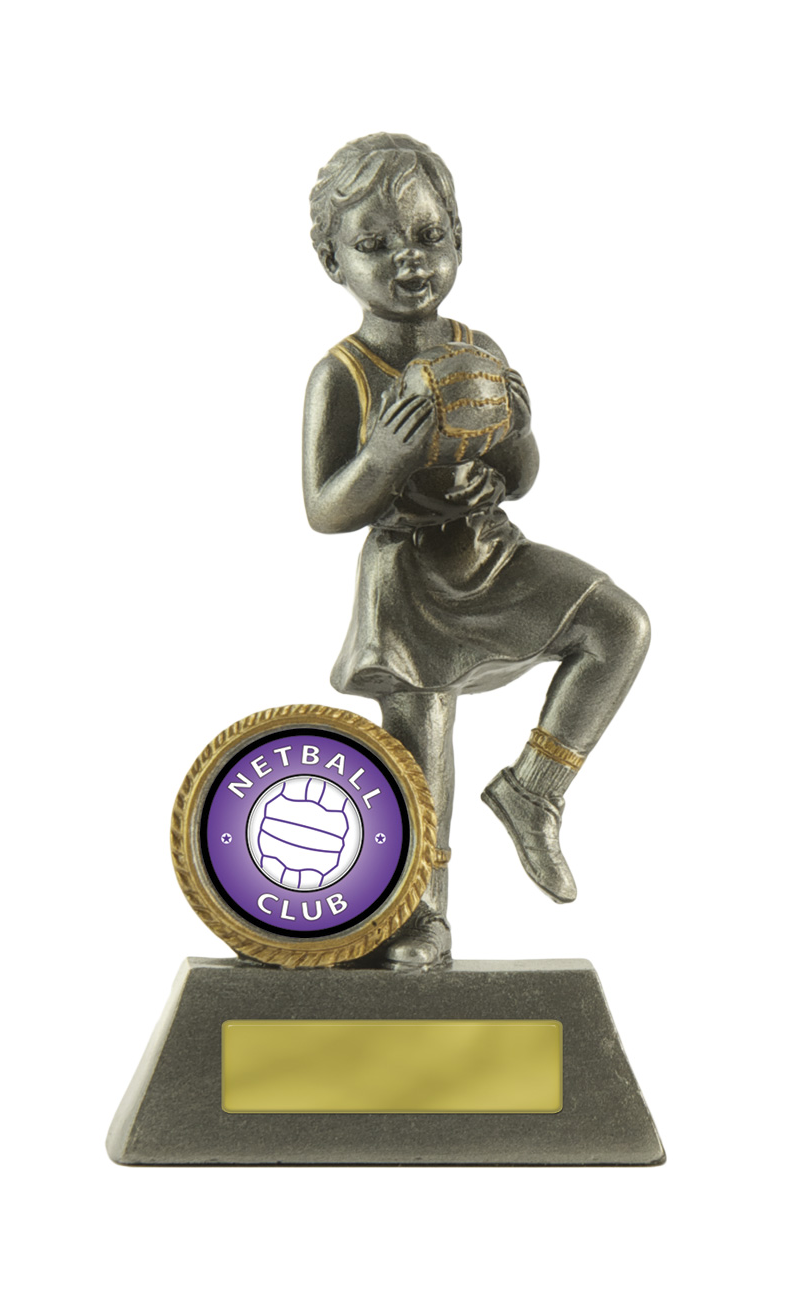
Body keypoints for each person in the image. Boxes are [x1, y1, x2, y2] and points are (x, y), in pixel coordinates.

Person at [303, 133, 650, 969]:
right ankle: (421, 916)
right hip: (406, 580)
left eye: (428, 236)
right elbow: (322, 508)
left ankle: (534, 789)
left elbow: (519, 477)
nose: (408, 260)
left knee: (618, 626)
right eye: (375, 244)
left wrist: (516, 433)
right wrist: (382, 460)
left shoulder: (476, 352)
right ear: (332, 261)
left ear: (459, 238)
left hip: (491, 553)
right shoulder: (342, 374)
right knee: (420, 750)